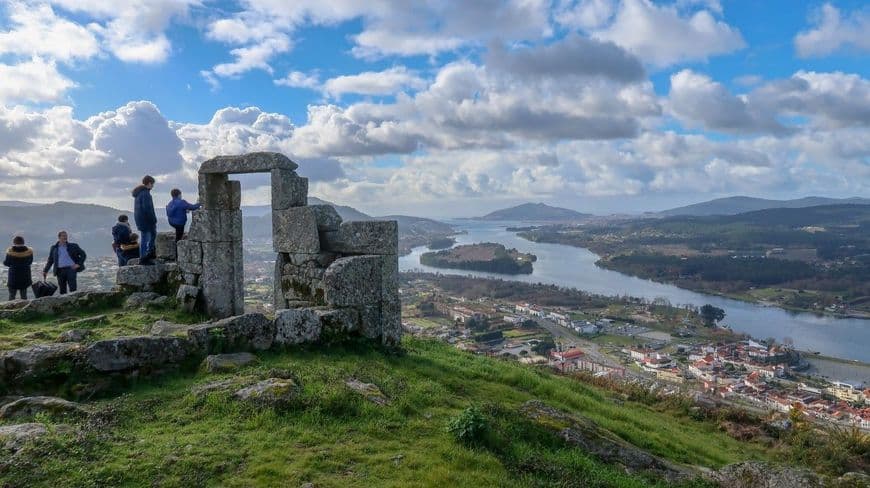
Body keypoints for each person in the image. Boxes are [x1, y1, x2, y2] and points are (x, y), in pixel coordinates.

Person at [43, 231, 86, 295]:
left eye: (66, 236)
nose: (65, 237)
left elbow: (83, 254)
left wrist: (78, 264)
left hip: (71, 269)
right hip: (60, 271)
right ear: (59, 237)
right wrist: (45, 270)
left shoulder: (73, 246)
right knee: (62, 290)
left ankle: (74, 303)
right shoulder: (54, 248)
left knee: (73, 288)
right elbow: (50, 260)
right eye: (63, 236)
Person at [133, 175, 157, 265]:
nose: (153, 186)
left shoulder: (138, 194)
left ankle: (147, 255)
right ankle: (144, 258)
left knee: (147, 237)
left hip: (140, 220)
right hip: (146, 221)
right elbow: (148, 209)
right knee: (146, 238)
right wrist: (153, 220)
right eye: (152, 184)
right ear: (149, 183)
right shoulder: (145, 194)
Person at [4, 236, 33, 300]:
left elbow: (6, 263)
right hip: (25, 276)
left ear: (14, 242)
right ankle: (25, 308)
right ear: (23, 242)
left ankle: (10, 309)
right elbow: (30, 262)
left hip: (13, 276)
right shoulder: (29, 252)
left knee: (12, 295)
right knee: (24, 296)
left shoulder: (10, 252)